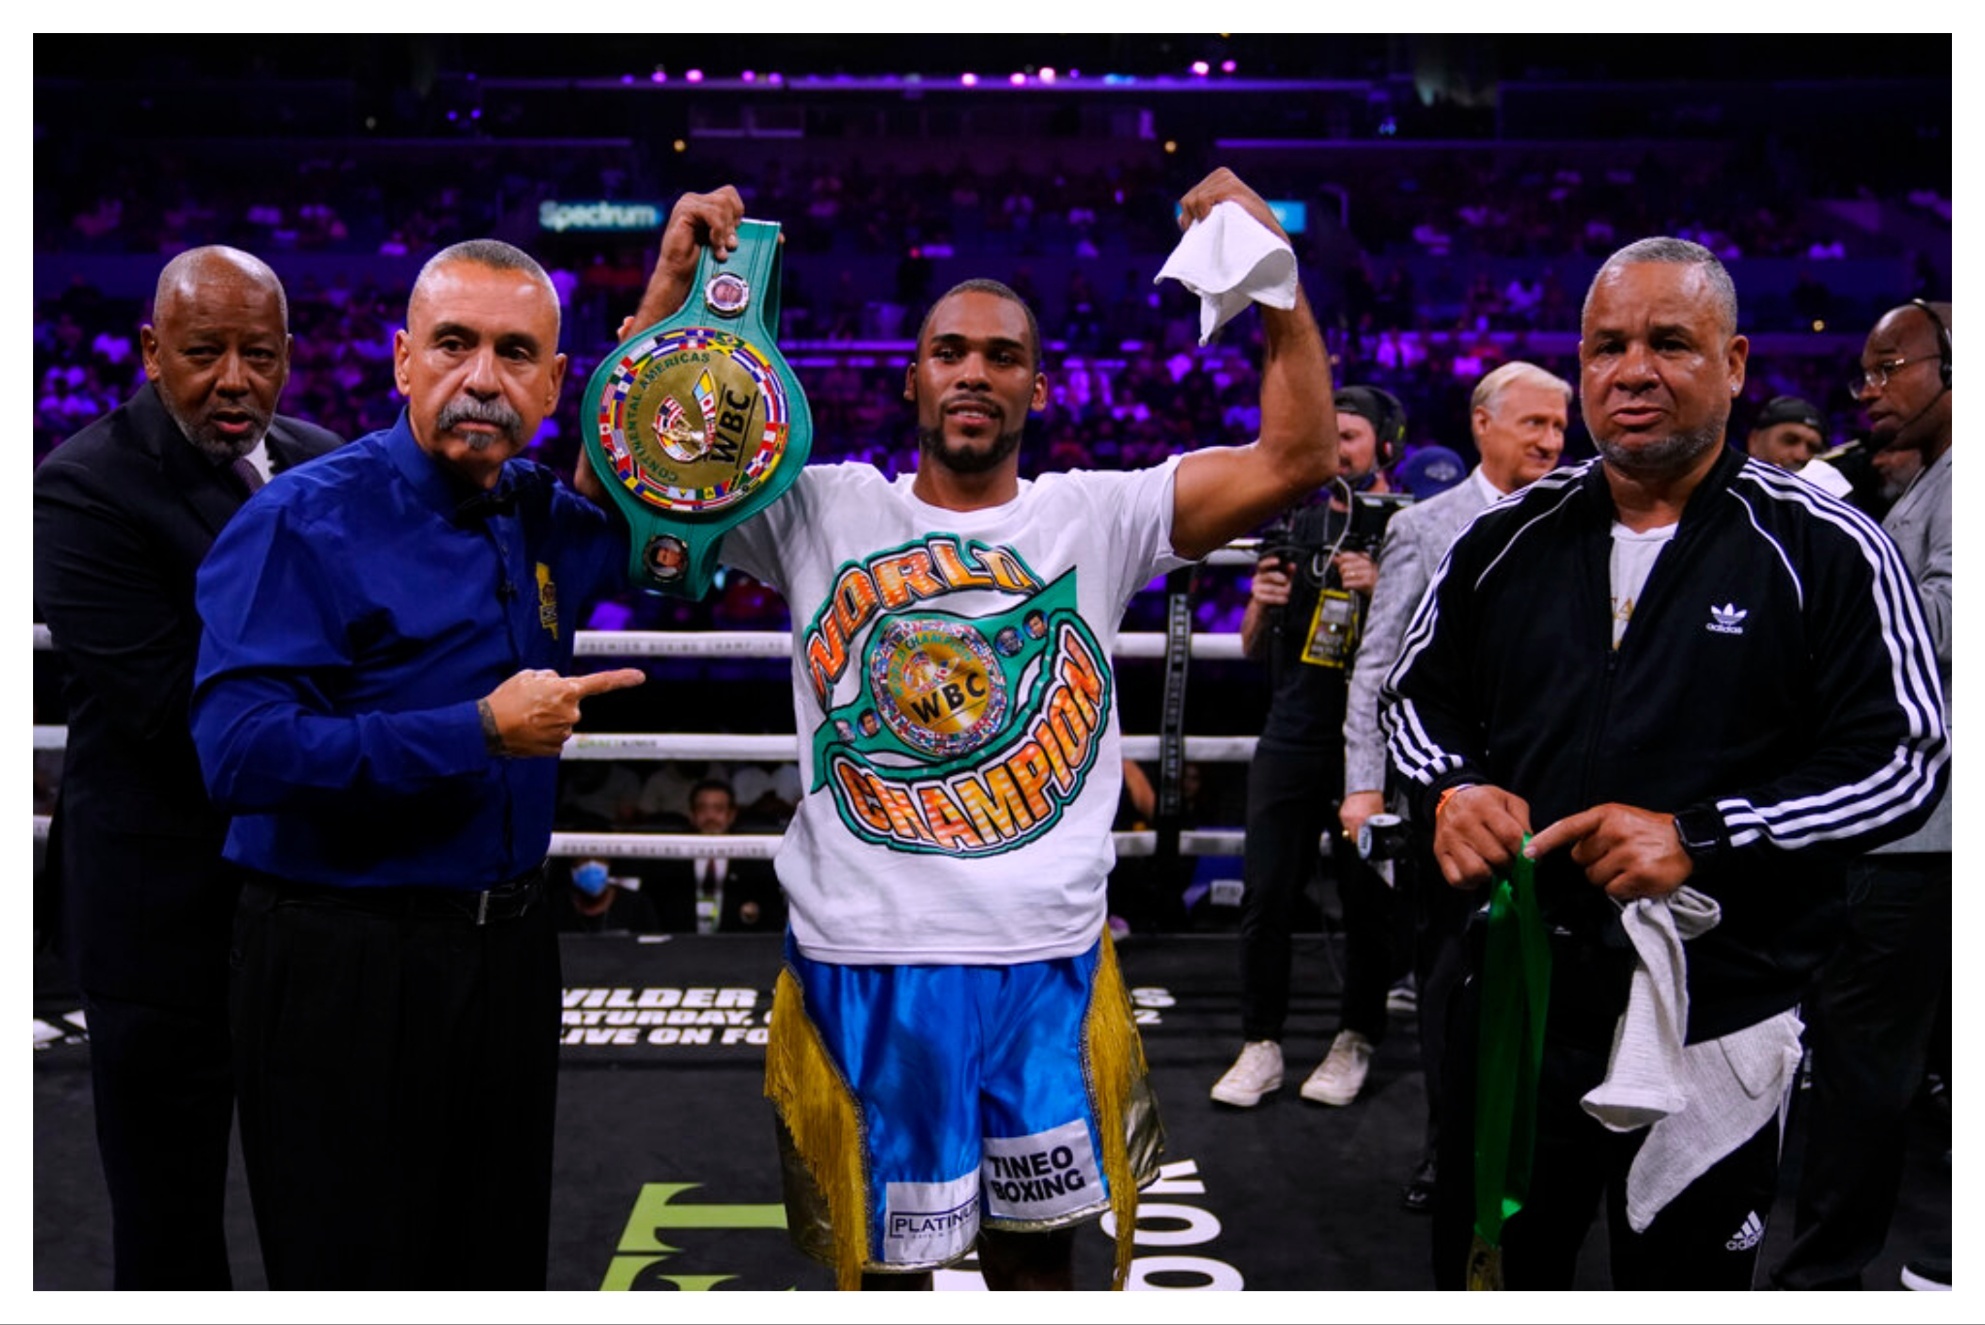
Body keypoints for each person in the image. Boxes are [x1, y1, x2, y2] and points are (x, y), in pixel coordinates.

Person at [633, 171, 1333, 1289]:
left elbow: (1295, 460)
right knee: (886, 1273)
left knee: (1033, 1267)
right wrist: (673, 291)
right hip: (866, 957)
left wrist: (1273, 280)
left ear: (1038, 388)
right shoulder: (816, 504)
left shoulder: (1095, 513)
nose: (972, 370)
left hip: (1042, 960)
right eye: (948, 350)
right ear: (912, 379)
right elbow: (643, 469)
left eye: (1000, 355)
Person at [1382, 237, 1948, 1289]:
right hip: (1518, 995)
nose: (1630, 369)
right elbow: (1414, 701)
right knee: (1490, 1280)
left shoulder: (1822, 544)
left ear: (1731, 363)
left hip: (1714, 1006)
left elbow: (1907, 758)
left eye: (1667, 341)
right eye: (1606, 345)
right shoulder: (1502, 538)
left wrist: (1701, 834)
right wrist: (1452, 787)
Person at [188, 238, 644, 1288]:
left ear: (551, 382)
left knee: (492, 1269)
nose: (481, 377)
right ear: (402, 360)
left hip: (508, 952)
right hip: (340, 956)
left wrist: (669, 308)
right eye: (454, 343)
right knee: (353, 1274)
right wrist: (474, 729)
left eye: (515, 352)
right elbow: (238, 749)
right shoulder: (301, 521)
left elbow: (661, 537)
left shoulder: (536, 512)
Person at [32, 246, 342, 1288]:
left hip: (302, 909)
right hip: (158, 916)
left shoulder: (319, 456)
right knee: (167, 1227)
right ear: (152, 350)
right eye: (205, 352)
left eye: (258, 353)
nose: (234, 379)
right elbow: (176, 713)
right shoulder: (85, 485)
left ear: (287, 355)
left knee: (326, 1201)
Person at [1340, 360, 1570, 1211]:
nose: (1550, 442)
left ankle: (1530, 1145)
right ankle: (1448, 1146)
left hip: (1548, 791)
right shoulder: (1427, 526)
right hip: (1449, 789)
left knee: (1548, 972)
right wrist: (1363, 784)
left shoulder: (1576, 520)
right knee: (1449, 973)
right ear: (1482, 423)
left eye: (1558, 427)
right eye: (1532, 426)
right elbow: (1377, 663)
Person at [1772, 300, 1952, 1291]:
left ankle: (1823, 1280)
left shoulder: (1959, 481)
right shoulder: (1930, 480)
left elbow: (1943, 635)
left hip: (1917, 833)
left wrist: (1828, 604)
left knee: (1862, 1065)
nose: (1869, 391)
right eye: (1863, 373)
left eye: (1888, 368)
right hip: (1909, 825)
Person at [1211, 386, 1410, 1111]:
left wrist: (1382, 585)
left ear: (1385, 444)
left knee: (1366, 902)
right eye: (1328, 436)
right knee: (1266, 891)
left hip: (1371, 742)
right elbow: (1247, 643)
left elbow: (1442, 639)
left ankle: (1355, 1037)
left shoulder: (1410, 526)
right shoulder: (1293, 522)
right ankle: (1259, 1043)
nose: (1335, 450)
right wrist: (1261, 599)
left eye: (1349, 436)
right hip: (1292, 729)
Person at [647, 777, 788, 934]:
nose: (710, 817)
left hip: (737, 950)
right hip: (680, 949)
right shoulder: (669, 863)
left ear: (731, 815)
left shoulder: (755, 863)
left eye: (718, 809)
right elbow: (654, 916)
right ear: (692, 815)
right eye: (703, 809)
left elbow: (772, 919)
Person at [1744, 394, 1852, 498]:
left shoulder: (1831, 491)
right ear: (1754, 441)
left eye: (1813, 448)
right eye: (1790, 441)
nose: (1801, 456)